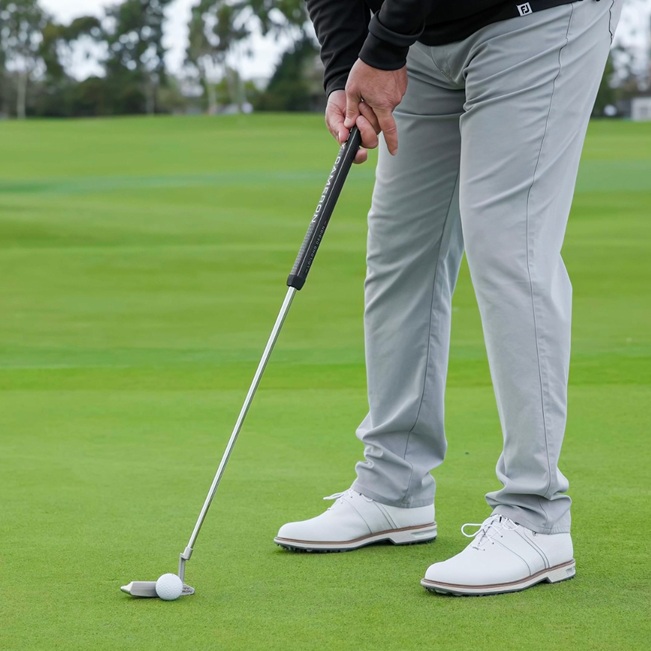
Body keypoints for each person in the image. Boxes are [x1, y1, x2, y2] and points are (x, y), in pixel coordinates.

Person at [274, 0, 622, 596]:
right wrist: (345, 71)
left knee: (507, 243)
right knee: (399, 248)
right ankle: (394, 487)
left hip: (537, 16)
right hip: (421, 35)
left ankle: (536, 516)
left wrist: (382, 52)